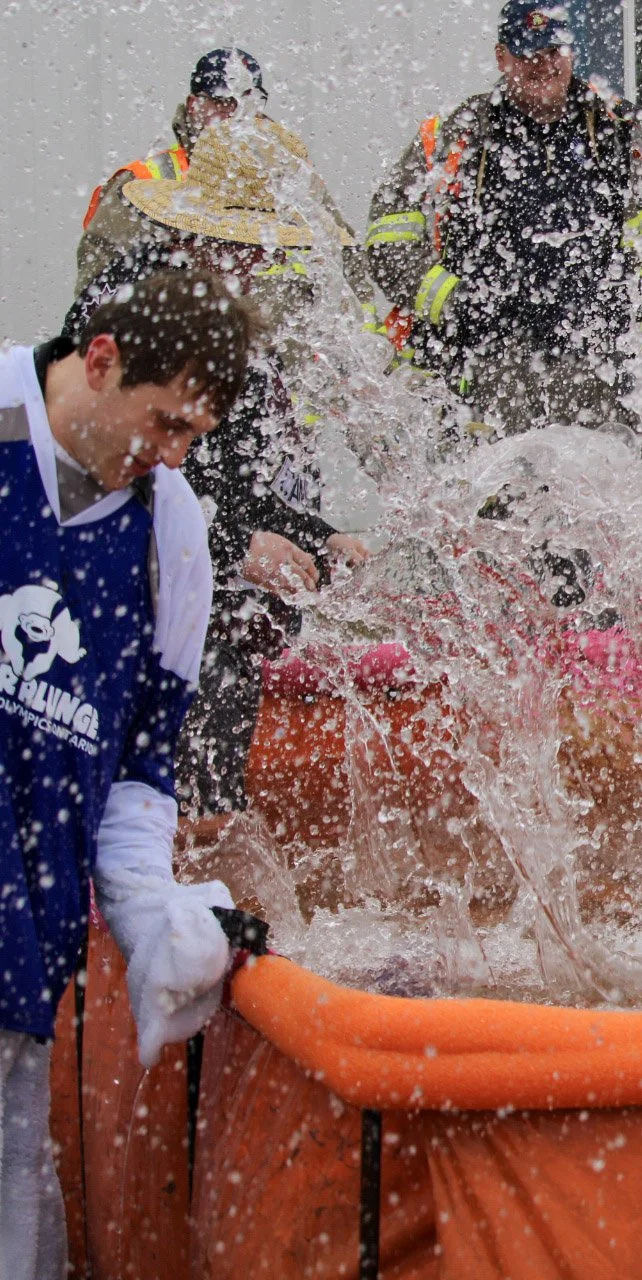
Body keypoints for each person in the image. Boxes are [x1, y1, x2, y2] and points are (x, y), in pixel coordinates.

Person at [0, 270, 254, 1274]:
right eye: (164, 422)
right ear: (98, 359)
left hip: (24, 966)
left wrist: (155, 919)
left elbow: (143, 767)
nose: (174, 455)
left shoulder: (170, 528)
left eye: (196, 433)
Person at [73, 116, 370, 829]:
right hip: (97, 587)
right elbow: (121, 476)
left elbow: (230, 480)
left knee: (227, 667)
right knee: (197, 691)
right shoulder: (131, 315)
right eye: (246, 248)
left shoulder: (222, 324)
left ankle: (206, 841)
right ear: (198, 238)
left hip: (181, 593)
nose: (258, 265)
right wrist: (239, 546)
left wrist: (321, 537)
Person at [364, 0, 642, 437]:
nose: (543, 65)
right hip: (486, 372)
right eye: (528, 54)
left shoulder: (619, 128)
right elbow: (388, 234)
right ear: (502, 57)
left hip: (595, 371)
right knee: (496, 498)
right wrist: (453, 302)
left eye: (553, 52)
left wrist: (635, 297)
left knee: (595, 497)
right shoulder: (457, 133)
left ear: (571, 53)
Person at [77, 47, 273, 290]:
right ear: (193, 105)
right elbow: (98, 285)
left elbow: (329, 270)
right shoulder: (140, 182)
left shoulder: (291, 180)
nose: (234, 113)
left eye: (247, 102)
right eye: (222, 102)